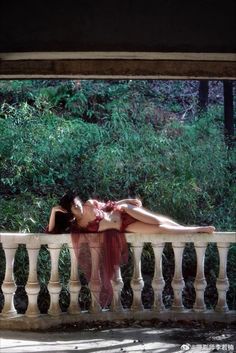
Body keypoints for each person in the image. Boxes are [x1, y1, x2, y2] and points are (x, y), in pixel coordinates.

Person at [46, 191, 215, 308]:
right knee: (160, 228)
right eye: (74, 208)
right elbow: (50, 232)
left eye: (77, 203)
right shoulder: (77, 225)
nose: (79, 207)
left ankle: (194, 229)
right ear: (70, 212)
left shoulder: (90, 204)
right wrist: (54, 211)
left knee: (158, 221)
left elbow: (110, 205)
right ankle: (197, 230)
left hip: (125, 212)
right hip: (125, 226)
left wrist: (126, 202)